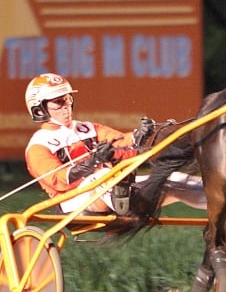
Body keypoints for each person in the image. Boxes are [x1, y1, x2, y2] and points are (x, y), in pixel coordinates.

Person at [24, 73, 204, 215]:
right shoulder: (38, 145)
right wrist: (93, 162)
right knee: (101, 174)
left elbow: (120, 143)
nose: (66, 106)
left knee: (175, 180)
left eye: (68, 99)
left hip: (108, 186)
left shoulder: (87, 128)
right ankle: (126, 203)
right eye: (59, 102)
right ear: (39, 109)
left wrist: (139, 136)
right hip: (73, 200)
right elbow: (59, 181)